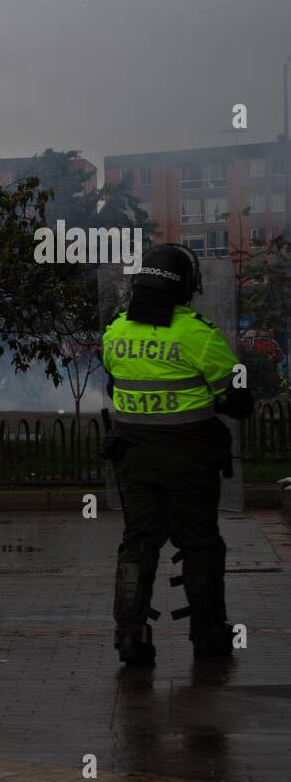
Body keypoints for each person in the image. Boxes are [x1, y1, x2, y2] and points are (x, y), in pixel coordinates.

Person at [102, 243, 254, 665]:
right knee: (201, 544)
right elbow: (237, 401)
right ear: (188, 286)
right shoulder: (199, 334)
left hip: (134, 460)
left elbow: (114, 387)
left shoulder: (116, 331)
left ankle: (130, 634)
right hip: (191, 461)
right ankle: (207, 634)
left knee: (138, 543)